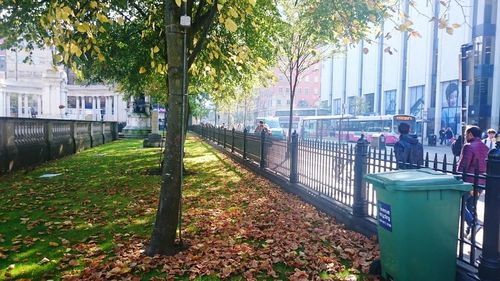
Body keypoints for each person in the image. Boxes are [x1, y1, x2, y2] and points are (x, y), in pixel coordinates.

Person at [457, 125, 489, 238]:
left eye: (466, 134)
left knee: (458, 204)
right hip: (480, 183)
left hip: (468, 183)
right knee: (472, 206)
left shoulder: (468, 146)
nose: (465, 136)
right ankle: (469, 230)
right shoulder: (486, 147)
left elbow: (463, 166)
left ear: (470, 134)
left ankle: (473, 224)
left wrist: (457, 177)